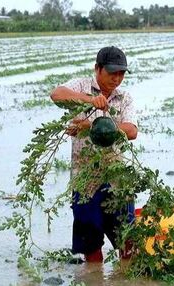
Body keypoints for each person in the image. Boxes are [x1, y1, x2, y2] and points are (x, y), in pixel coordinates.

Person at [50, 46, 138, 263]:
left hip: (117, 178)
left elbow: (132, 131)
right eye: (112, 73)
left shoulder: (124, 98)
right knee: (90, 242)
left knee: (127, 238)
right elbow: (56, 94)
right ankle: (95, 277)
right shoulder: (80, 85)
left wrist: (95, 125)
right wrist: (90, 101)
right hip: (85, 180)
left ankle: (127, 277)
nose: (117, 79)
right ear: (97, 69)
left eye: (121, 74)